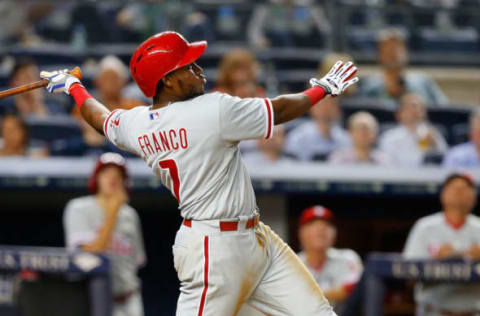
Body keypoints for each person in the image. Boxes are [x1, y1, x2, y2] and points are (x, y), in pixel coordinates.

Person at [41, 31, 358, 315]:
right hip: (214, 246)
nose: (199, 70)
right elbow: (279, 109)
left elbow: (100, 118)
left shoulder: (136, 124)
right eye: (189, 66)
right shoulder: (212, 110)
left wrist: (74, 87)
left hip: (256, 239)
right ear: (168, 80)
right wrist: (323, 88)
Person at [63, 152, 146, 316]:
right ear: (96, 178)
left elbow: (137, 261)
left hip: (130, 299)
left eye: (118, 175)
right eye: (106, 173)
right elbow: (92, 254)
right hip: (92, 302)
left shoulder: (130, 214)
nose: (112, 179)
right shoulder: (78, 208)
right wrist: (113, 211)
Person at [403, 173, 480, 316]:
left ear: (473, 198)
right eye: (454, 189)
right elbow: (408, 276)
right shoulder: (424, 227)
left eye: (464, 189)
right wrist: (435, 262)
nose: (459, 193)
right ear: (443, 195)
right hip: (434, 311)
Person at [297, 205, 363, 314]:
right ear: (301, 233)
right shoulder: (290, 263)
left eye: (326, 225)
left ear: (335, 233)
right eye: (313, 225)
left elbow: (354, 290)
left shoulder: (348, 258)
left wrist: (306, 295)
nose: (321, 229)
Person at [359, 29, 448, 108]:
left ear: (406, 53)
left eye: (397, 49)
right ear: (379, 55)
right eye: (387, 49)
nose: (393, 54)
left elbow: (443, 109)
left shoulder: (423, 81)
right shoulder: (369, 85)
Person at [378, 93, 448, 166]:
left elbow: (446, 158)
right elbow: (385, 164)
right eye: (411, 107)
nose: (415, 111)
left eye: (420, 108)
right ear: (399, 113)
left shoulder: (432, 134)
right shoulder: (389, 137)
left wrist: (434, 145)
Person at [285, 96, 351, 161]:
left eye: (331, 104)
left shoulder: (345, 138)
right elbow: (291, 165)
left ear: (338, 110)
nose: (326, 109)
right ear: (312, 109)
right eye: (322, 105)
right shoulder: (298, 137)